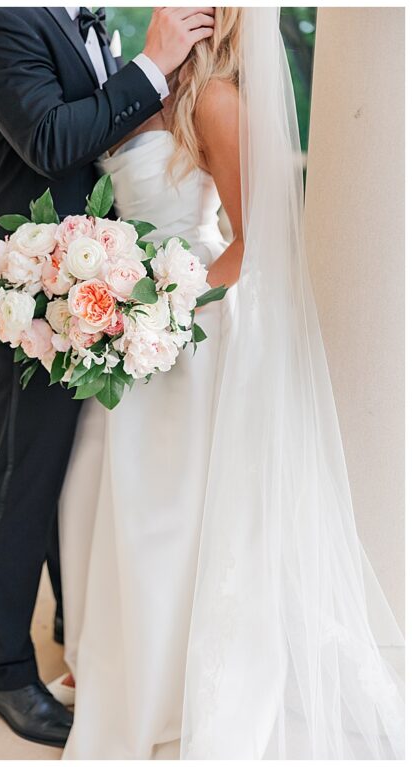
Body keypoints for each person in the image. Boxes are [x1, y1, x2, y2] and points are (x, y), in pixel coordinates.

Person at [57, 7, 403, 759]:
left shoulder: (215, 99)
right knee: (112, 502)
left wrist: (162, 310)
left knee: (169, 518)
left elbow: (256, 240)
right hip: (130, 334)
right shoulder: (146, 84)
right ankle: (118, 665)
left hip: (187, 333)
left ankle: (166, 689)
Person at [0, 6, 214, 746]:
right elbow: (49, 141)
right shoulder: (0, 23)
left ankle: (79, 628)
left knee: (77, 472)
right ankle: (3, 669)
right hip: (35, 295)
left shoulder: (86, 23)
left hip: (97, 295)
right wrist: (153, 64)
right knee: (27, 476)